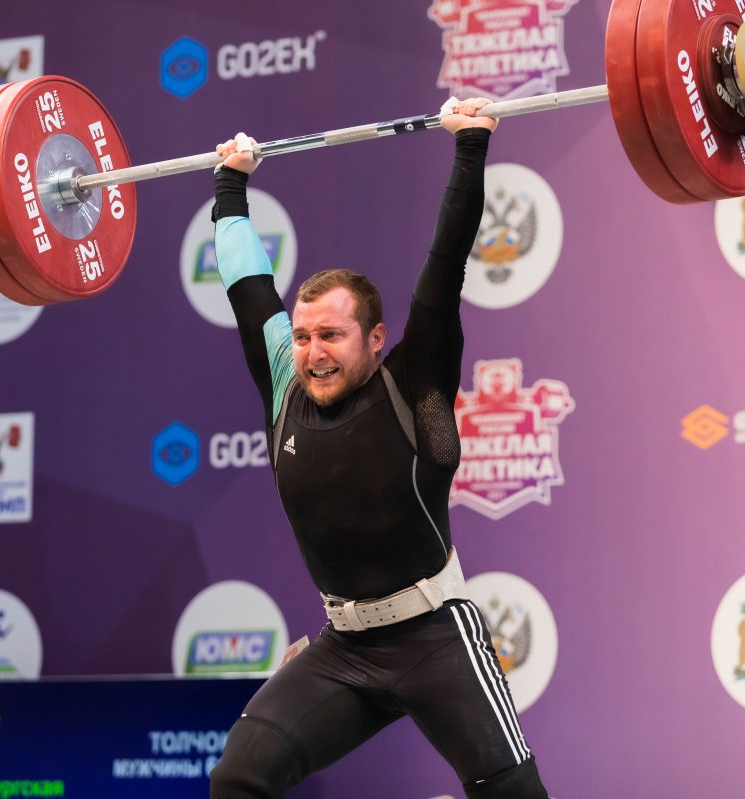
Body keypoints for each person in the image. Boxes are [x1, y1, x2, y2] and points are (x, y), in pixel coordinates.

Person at [206, 98, 548, 799]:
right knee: (239, 777)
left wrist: (471, 146)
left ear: (376, 339)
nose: (313, 352)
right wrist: (231, 186)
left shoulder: (414, 385)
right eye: (304, 336)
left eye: (332, 336)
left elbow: (445, 265)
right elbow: (248, 289)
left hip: (435, 637)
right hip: (345, 648)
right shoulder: (286, 385)